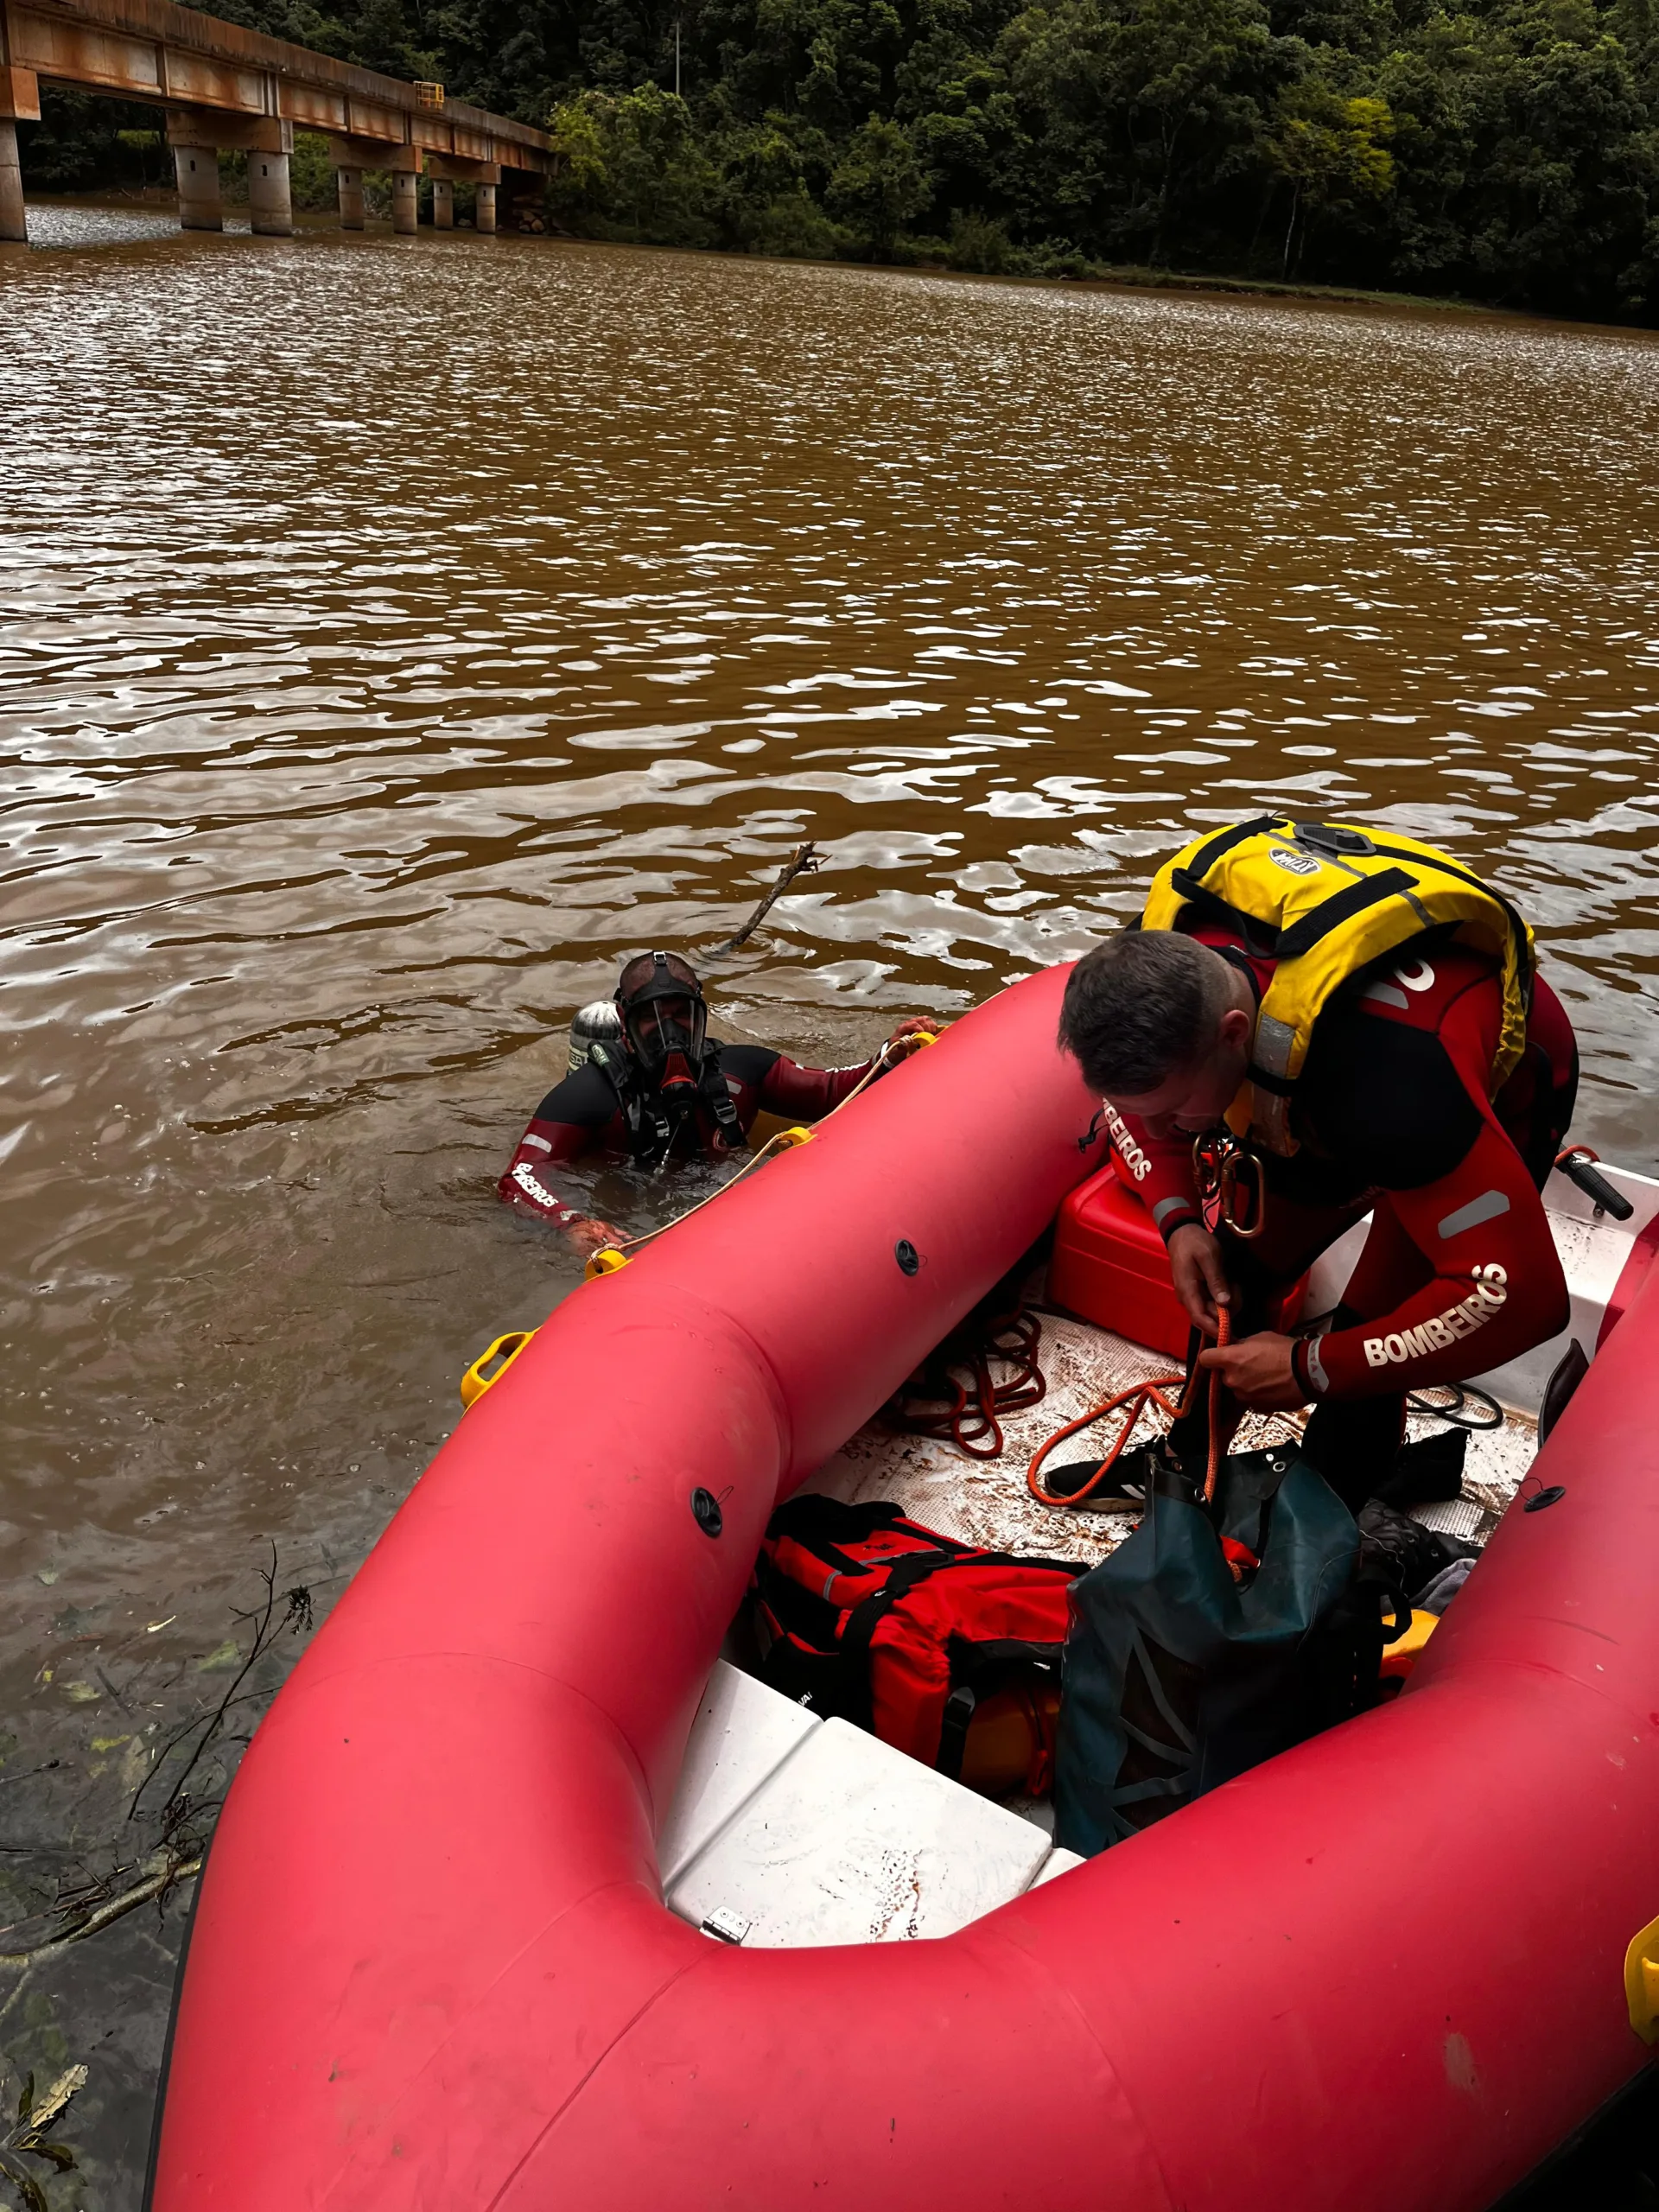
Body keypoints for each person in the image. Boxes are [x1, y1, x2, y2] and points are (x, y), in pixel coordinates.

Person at [1056, 814, 1578, 1508]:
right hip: (1338, 1074)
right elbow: (1142, 1108)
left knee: (1370, 1324)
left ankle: (1327, 1510)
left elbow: (1520, 1298)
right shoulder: (1157, 965)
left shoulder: (1385, 1095)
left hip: (1472, 1087)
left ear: (1233, 1036)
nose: (1158, 1130)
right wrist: (1177, 1218)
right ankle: (1186, 1470)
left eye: (1175, 1108)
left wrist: (1309, 1368)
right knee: (1233, 1280)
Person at [499, 950, 934, 1255]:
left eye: (680, 1014)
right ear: (626, 1025)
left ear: (701, 1016)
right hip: (635, 1212)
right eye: (651, 1017)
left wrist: (888, 1055)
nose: (668, 1030)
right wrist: (575, 1222)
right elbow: (521, 1176)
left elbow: (831, 1091)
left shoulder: (743, 1071)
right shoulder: (588, 1095)